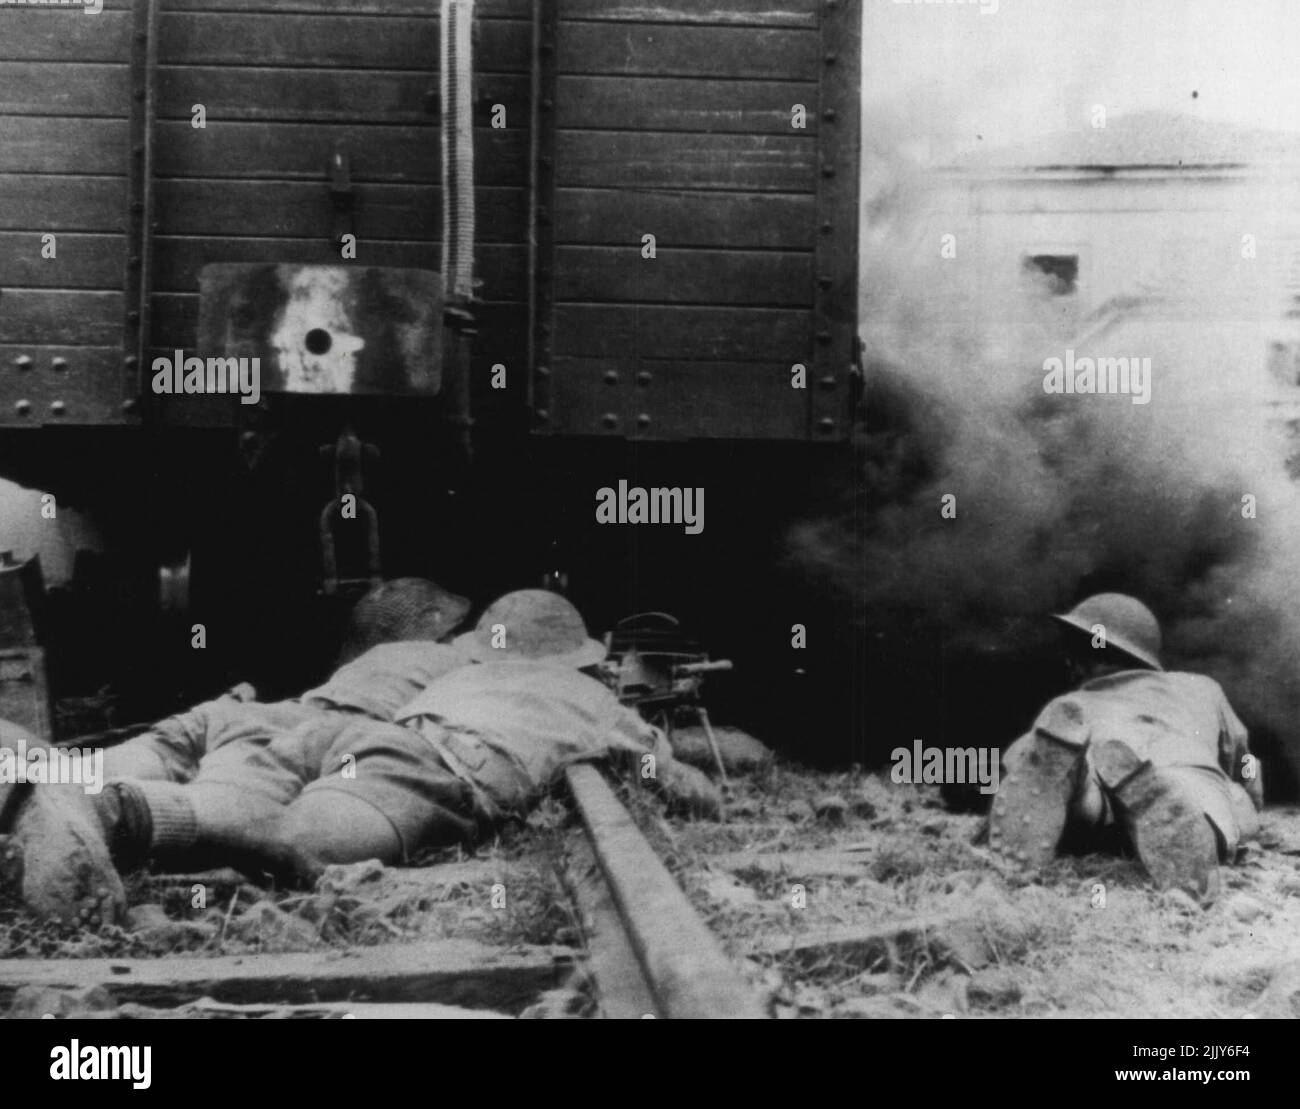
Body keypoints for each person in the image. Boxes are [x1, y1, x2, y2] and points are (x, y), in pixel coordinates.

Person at [1, 577, 473, 925]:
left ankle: (30, 774)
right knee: (253, 817)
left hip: (242, 716)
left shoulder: (354, 667)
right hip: (331, 732)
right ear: (438, 629)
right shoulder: (457, 659)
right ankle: (113, 810)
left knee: (87, 769)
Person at [988, 593, 1262, 902]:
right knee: (1223, 801)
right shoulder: (1201, 688)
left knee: (1085, 796)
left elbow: (1014, 773)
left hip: (1100, 796)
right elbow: (1244, 762)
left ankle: (1077, 785)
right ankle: (1168, 801)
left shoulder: (1069, 706)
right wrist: (1249, 800)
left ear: (1082, 658)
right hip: (1186, 779)